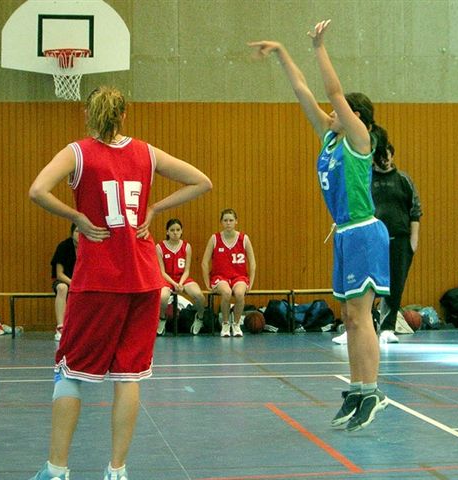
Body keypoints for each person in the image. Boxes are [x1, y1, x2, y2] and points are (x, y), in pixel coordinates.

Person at [28, 85, 212, 480]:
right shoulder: (146, 152)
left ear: (87, 114)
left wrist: (77, 218)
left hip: (99, 278)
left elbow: (38, 190)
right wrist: (155, 207)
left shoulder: (78, 152)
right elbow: (202, 182)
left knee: (69, 371)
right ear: (124, 115)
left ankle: (56, 469)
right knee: (128, 377)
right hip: (143, 279)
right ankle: (117, 470)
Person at [249, 19, 391, 432]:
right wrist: (281, 52)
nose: (330, 112)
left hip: (364, 232)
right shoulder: (329, 139)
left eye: (340, 110)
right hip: (344, 233)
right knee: (348, 317)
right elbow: (303, 92)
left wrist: (318, 48)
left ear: (355, 116)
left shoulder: (359, 139)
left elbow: (331, 92)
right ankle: (358, 388)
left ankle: (372, 392)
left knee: (361, 317)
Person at [332, 141, 422, 345]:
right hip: (370, 239)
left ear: (392, 156)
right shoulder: (365, 177)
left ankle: (387, 328)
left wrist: (413, 240)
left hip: (399, 239)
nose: (385, 159)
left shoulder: (403, 180)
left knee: (395, 284)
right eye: (381, 155)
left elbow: (415, 210)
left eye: (388, 155)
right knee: (364, 284)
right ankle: (357, 326)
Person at [201, 208, 256, 337]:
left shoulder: (244, 239)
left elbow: (253, 263)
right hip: (220, 277)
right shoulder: (214, 238)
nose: (228, 223)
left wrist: (251, 282)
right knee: (226, 292)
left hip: (239, 276)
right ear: (221, 222)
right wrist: (207, 283)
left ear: (236, 221)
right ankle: (225, 324)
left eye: (231, 220)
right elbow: (204, 262)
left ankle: (236, 324)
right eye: (225, 220)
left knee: (240, 293)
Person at [156, 218, 206, 335]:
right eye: (172, 230)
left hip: (182, 278)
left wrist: (180, 283)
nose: (175, 232)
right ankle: (162, 318)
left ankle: (200, 317)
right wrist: (174, 284)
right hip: (167, 279)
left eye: (178, 230)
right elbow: (162, 272)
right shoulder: (159, 247)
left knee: (199, 296)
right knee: (162, 297)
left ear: (181, 231)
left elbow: (187, 270)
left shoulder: (186, 246)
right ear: (167, 232)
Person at [50, 223, 79, 342]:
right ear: (72, 233)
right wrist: (74, 284)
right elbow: (59, 274)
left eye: (82, 232)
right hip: (64, 281)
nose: (79, 234)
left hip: (83, 283)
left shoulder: (91, 246)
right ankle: (60, 328)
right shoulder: (64, 246)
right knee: (62, 288)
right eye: (77, 231)